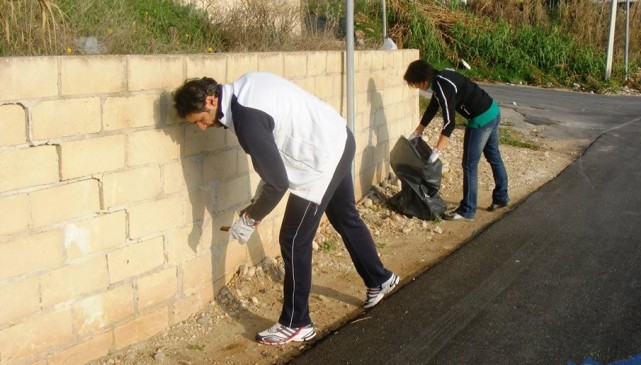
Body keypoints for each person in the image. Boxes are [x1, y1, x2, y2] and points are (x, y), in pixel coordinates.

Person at [172, 72, 399, 346]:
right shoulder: (245, 88)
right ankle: (380, 278)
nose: (202, 128)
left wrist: (250, 218)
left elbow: (277, 183)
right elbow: (272, 162)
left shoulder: (245, 118)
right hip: (339, 137)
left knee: (293, 239)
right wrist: (256, 206)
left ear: (211, 100)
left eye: (200, 120)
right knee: (344, 216)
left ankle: (296, 323)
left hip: (321, 160)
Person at [403, 59, 509, 221]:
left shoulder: (442, 86)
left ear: (423, 81)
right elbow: (434, 106)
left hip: (480, 120)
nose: (417, 88)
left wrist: (437, 151)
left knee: (469, 165)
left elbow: (449, 123)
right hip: (492, 110)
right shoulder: (440, 78)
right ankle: (502, 198)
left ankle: (467, 210)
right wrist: (419, 130)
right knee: (494, 157)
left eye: (416, 84)